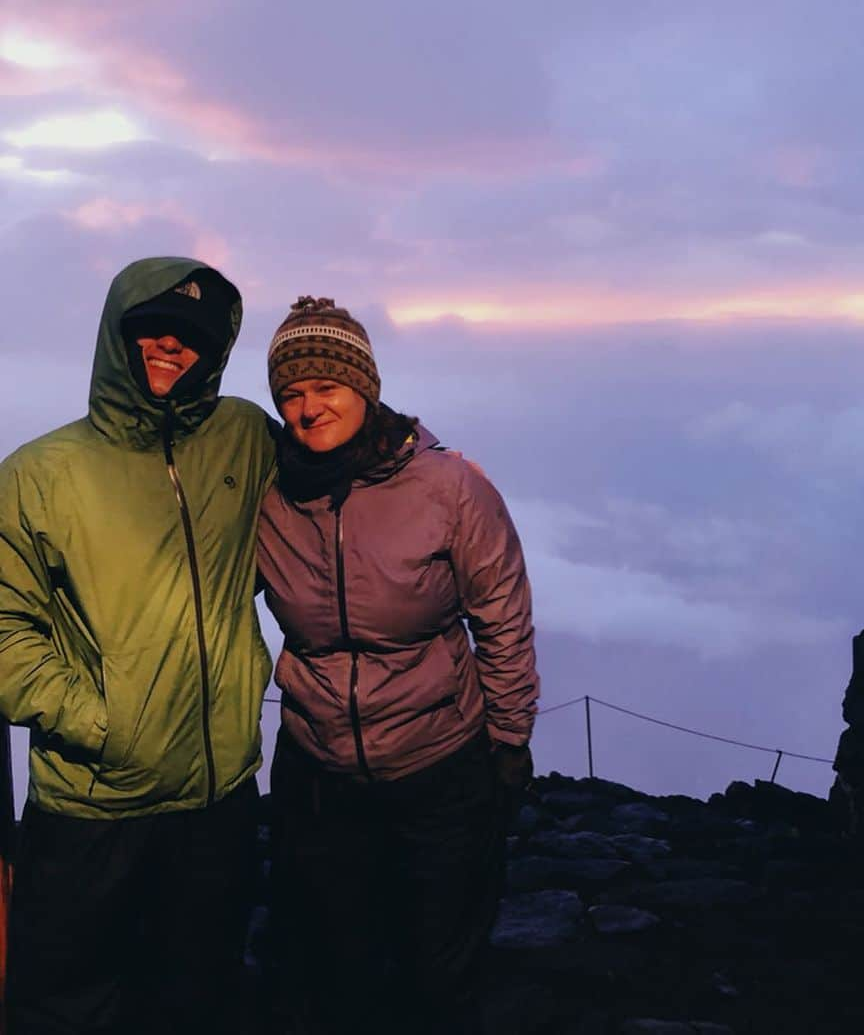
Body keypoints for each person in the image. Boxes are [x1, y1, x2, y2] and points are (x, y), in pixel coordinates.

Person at [0, 257, 276, 1035]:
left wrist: (421, 459)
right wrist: (97, 721)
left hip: (218, 802)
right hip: (94, 806)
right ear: (116, 338)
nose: (167, 347)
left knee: (197, 999)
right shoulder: (40, 475)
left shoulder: (245, 438)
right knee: (67, 1007)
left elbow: (332, 477)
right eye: (149, 330)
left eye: (187, 337)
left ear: (213, 352)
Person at [259, 296, 539, 1035]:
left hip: (440, 763)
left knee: (439, 973)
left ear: (365, 387)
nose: (309, 407)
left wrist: (508, 743)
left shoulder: (447, 487)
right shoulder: (270, 495)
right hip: (319, 772)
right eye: (291, 392)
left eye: (326, 386)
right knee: (334, 969)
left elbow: (502, 619)